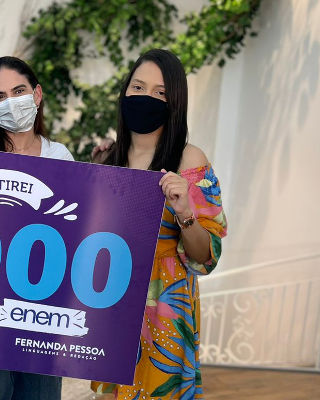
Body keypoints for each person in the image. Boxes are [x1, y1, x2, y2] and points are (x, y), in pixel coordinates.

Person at [90, 49, 227, 399]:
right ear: (125, 92)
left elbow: (206, 256)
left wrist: (185, 212)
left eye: (160, 92)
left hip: (164, 308)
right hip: (113, 301)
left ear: (174, 102)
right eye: (138, 86)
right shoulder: (108, 159)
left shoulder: (189, 159)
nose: (146, 97)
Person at [0, 56, 73, 400]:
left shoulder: (60, 157)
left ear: (36, 95)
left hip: (40, 314)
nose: (10, 102)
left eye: (18, 91)